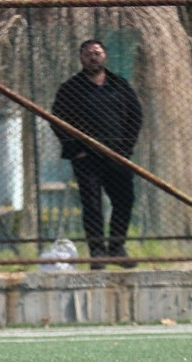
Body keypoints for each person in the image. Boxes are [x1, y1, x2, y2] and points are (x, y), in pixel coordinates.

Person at [51, 39, 143, 270]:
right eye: (88, 54)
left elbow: (135, 116)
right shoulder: (71, 88)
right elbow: (57, 120)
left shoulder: (119, 85)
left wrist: (125, 149)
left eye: (97, 53)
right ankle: (97, 253)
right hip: (86, 159)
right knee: (92, 205)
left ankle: (117, 248)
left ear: (105, 56)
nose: (93, 57)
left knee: (124, 200)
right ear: (81, 58)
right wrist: (75, 150)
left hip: (117, 156)